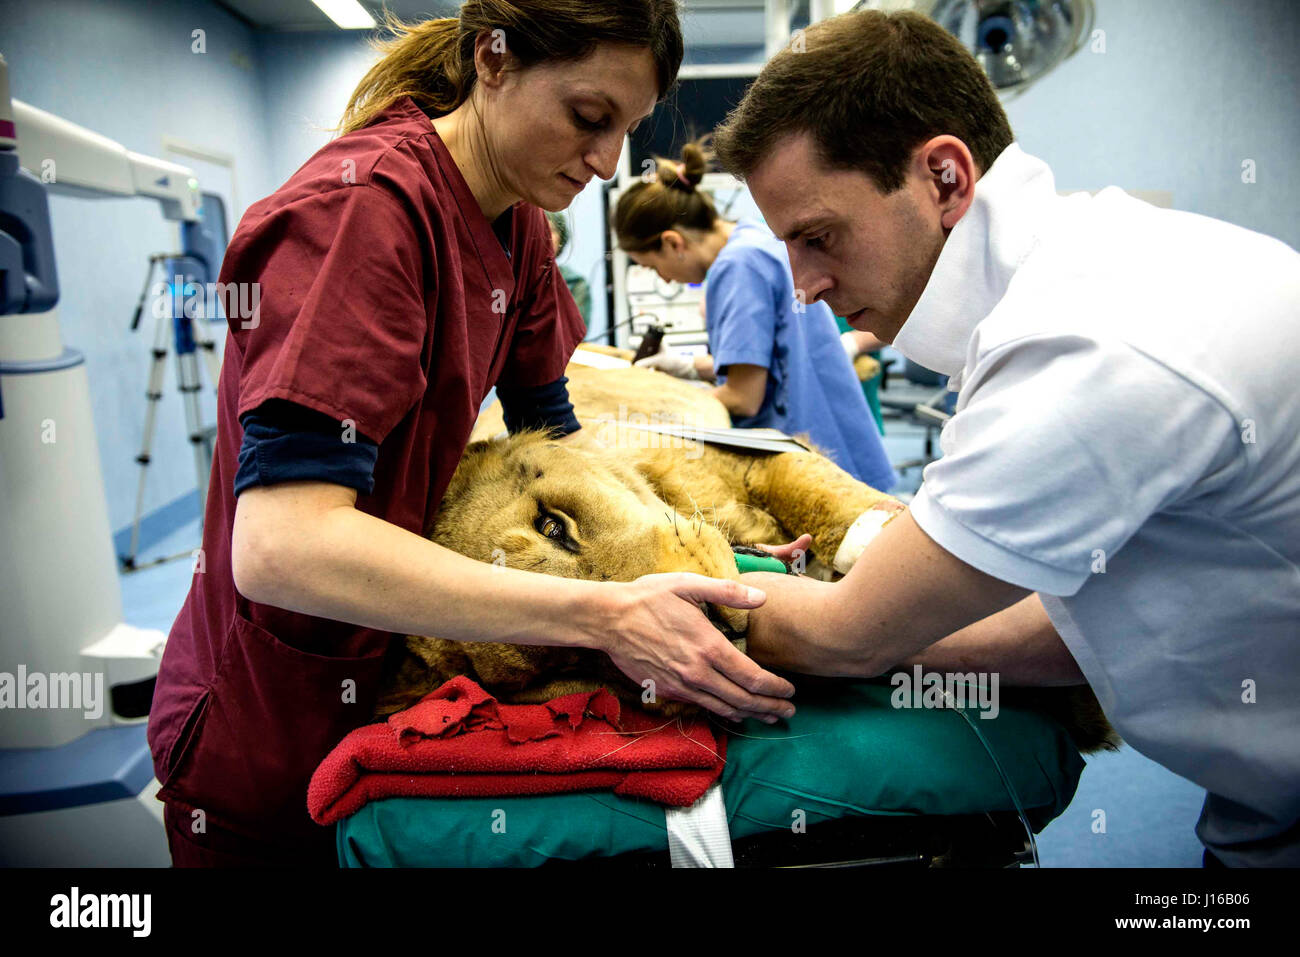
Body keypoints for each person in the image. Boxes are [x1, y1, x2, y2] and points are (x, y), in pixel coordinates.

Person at [146, 2, 798, 869]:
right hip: (267, 714)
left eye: (628, 131)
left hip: (392, 663)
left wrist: (709, 549)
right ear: (493, 58)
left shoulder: (518, 222)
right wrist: (605, 612)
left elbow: (555, 449)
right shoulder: (363, 216)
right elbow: (281, 549)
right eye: (588, 119)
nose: (607, 165)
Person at [713, 9, 1300, 866]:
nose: (802, 289)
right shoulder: (1104, 263)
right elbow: (1074, 627)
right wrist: (888, 594)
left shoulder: (1080, 342)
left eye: (819, 237)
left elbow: (849, 635)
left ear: (945, 179)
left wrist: (708, 600)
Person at [614, 140, 898, 491]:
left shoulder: (738, 267)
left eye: (654, 266)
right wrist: (688, 367)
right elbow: (768, 362)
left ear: (673, 243)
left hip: (812, 466)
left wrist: (657, 412)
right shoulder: (754, 239)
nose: (665, 279)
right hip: (840, 448)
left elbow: (743, 399)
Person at [545, 210, 592, 322]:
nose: (545, 236)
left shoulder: (575, 282)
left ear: (561, 238)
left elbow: (575, 331)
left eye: (551, 230)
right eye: (539, 229)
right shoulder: (514, 280)